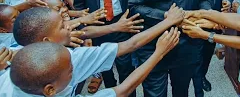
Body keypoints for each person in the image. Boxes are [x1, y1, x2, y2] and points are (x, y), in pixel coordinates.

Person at [0, 3, 184, 96]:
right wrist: (159, 52)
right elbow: (122, 90)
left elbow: (83, 33)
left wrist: (113, 27)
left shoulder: (11, 61)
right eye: (63, 26)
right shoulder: (69, 58)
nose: (70, 26)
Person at [9, 29, 178, 97]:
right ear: (50, 89)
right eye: (70, 70)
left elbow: (128, 45)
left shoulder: (17, 73)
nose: (74, 67)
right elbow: (123, 89)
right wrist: (159, 52)